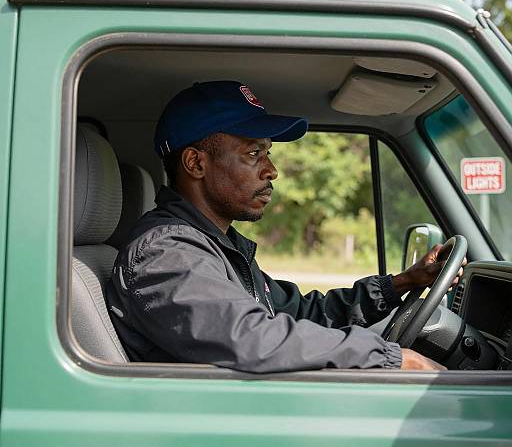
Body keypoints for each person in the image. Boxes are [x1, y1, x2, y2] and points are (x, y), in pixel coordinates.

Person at [106, 80, 458, 372]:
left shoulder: (216, 246)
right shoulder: (165, 254)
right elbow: (253, 338)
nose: (271, 170)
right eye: (253, 154)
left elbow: (300, 314)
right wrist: (393, 359)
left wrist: (401, 283)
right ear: (196, 163)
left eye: (268, 152)